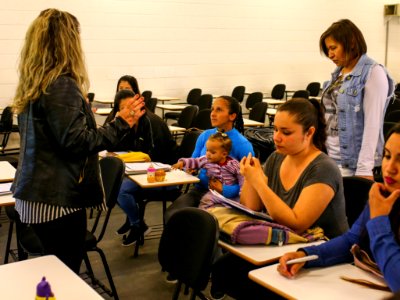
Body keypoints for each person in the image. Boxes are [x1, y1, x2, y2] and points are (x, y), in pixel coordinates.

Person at [11, 9, 145, 273]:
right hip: (55, 201)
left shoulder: (36, 83)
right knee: (63, 277)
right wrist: (120, 123)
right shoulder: (61, 84)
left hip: (35, 195)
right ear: (67, 42)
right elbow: (76, 142)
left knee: (50, 275)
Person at [278, 120, 400, 297]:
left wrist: (379, 221)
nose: (389, 169)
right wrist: (306, 256)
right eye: (387, 155)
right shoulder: (388, 193)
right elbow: (352, 240)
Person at [210, 98, 349, 300]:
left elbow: (297, 224)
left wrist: (259, 183)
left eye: (286, 132)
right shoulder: (277, 158)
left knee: (246, 280)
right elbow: (251, 207)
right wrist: (250, 177)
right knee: (225, 269)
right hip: (287, 244)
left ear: (309, 133)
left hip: (321, 252)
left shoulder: (323, 168)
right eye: (275, 129)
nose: (276, 137)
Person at [320, 19, 395, 180]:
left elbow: (372, 124)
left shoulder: (373, 72)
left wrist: (364, 168)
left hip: (351, 163)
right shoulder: (338, 73)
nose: (330, 54)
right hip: (330, 156)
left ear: (351, 43)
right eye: (328, 50)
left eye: (333, 48)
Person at [105, 89, 177, 246]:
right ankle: (134, 221)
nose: (129, 110)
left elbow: (156, 158)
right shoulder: (129, 124)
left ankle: (137, 225)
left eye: (132, 106)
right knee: (110, 184)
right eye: (124, 108)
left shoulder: (152, 122)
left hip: (164, 176)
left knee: (120, 190)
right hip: (141, 172)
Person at [164, 96, 254, 220]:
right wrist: (190, 170)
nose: (212, 114)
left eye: (219, 110)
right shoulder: (205, 135)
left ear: (232, 116)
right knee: (172, 215)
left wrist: (225, 189)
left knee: (204, 222)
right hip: (200, 190)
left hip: (228, 197)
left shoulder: (243, 145)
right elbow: (194, 160)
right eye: (212, 110)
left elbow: (250, 183)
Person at [172, 131, 243, 209]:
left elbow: (242, 177)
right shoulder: (206, 160)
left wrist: (242, 192)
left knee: (237, 205)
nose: (208, 154)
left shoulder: (233, 164)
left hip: (231, 195)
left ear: (224, 154)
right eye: (207, 150)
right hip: (214, 193)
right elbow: (195, 161)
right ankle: (205, 216)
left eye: (212, 152)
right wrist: (183, 162)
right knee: (206, 200)